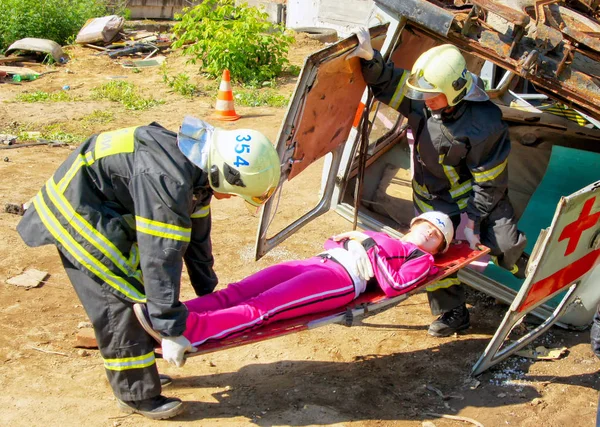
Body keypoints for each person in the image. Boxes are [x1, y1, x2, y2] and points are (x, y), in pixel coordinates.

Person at [16, 116, 281, 420]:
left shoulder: (196, 170)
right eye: (235, 192)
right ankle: (135, 394)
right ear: (225, 174)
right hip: (77, 213)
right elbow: (161, 257)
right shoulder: (169, 180)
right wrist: (170, 329)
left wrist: (208, 290)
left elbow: (197, 238)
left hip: (103, 206)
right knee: (120, 298)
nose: (231, 198)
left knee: (142, 292)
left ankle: (140, 372)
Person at [347, 27, 528, 338]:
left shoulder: (484, 123)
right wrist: (370, 58)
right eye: (422, 94)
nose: (423, 100)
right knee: (431, 253)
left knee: (506, 244)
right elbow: (391, 81)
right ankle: (453, 312)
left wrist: (470, 221)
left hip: (480, 198)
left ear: (455, 90)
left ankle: (534, 288)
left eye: (432, 95)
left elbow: (490, 182)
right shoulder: (426, 97)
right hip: (433, 200)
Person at [134, 211, 454, 367]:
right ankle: (170, 317)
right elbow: (334, 240)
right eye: (426, 226)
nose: (427, 234)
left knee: (264, 307)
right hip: (319, 261)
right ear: (414, 224)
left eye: (435, 236)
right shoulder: (385, 238)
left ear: (438, 248)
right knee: (237, 291)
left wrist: (364, 242)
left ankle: (190, 333)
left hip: (341, 279)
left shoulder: (421, 259)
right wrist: (360, 239)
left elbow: (394, 284)